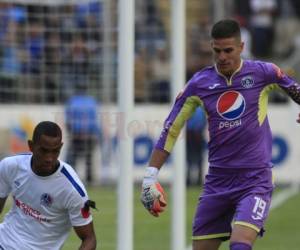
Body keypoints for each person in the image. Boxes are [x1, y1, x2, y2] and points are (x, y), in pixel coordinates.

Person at [140, 19, 300, 250]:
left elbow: (295, 90)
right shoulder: (199, 84)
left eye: (228, 50)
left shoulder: (263, 72)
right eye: (217, 51)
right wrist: (149, 177)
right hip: (217, 181)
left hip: (254, 179)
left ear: (241, 47)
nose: (222, 57)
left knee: (240, 245)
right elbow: (171, 129)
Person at [0, 121, 97, 250]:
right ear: (31, 146)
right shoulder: (11, 166)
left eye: (55, 151)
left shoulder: (72, 189)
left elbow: (89, 239)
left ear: (61, 147)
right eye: (44, 151)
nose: (49, 158)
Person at [65, 82, 102, 185]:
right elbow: (95, 119)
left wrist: (71, 132)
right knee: (89, 160)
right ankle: (90, 181)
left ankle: (71, 180)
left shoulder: (72, 101)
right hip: (89, 134)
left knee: (73, 159)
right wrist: (96, 133)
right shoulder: (92, 101)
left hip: (76, 134)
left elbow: (68, 119)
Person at [186, 107, 206, 186]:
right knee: (189, 159)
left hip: (197, 134)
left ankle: (198, 179)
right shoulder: (194, 107)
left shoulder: (200, 107)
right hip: (191, 134)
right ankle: (189, 179)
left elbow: (204, 121)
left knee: (199, 159)